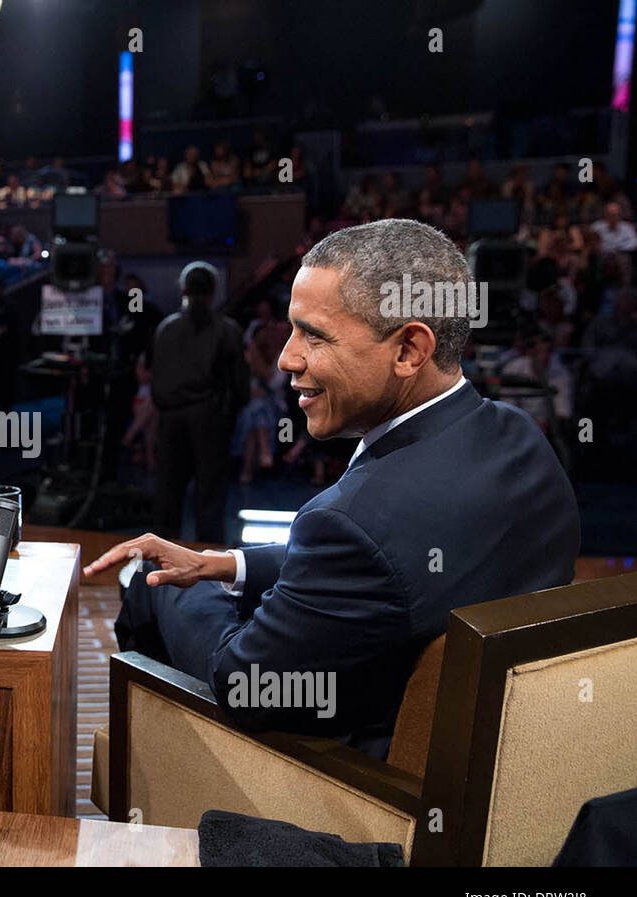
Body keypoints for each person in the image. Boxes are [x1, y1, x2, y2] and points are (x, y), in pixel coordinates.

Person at [87, 219, 579, 759]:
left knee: (148, 591)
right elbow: (398, 570)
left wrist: (171, 585)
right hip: (504, 763)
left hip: (353, 792)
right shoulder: (522, 440)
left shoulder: (353, 524)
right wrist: (227, 566)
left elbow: (244, 684)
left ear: (409, 350)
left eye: (313, 334)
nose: (286, 358)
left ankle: (153, 779)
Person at [148, 261, 249, 543]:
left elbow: (156, 381)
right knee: (210, 500)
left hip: (170, 420)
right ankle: (208, 570)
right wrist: (227, 418)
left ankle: (160, 572)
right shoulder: (227, 329)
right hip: (210, 420)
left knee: (168, 498)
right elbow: (239, 385)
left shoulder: (166, 329)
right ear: (214, 290)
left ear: (183, 288)